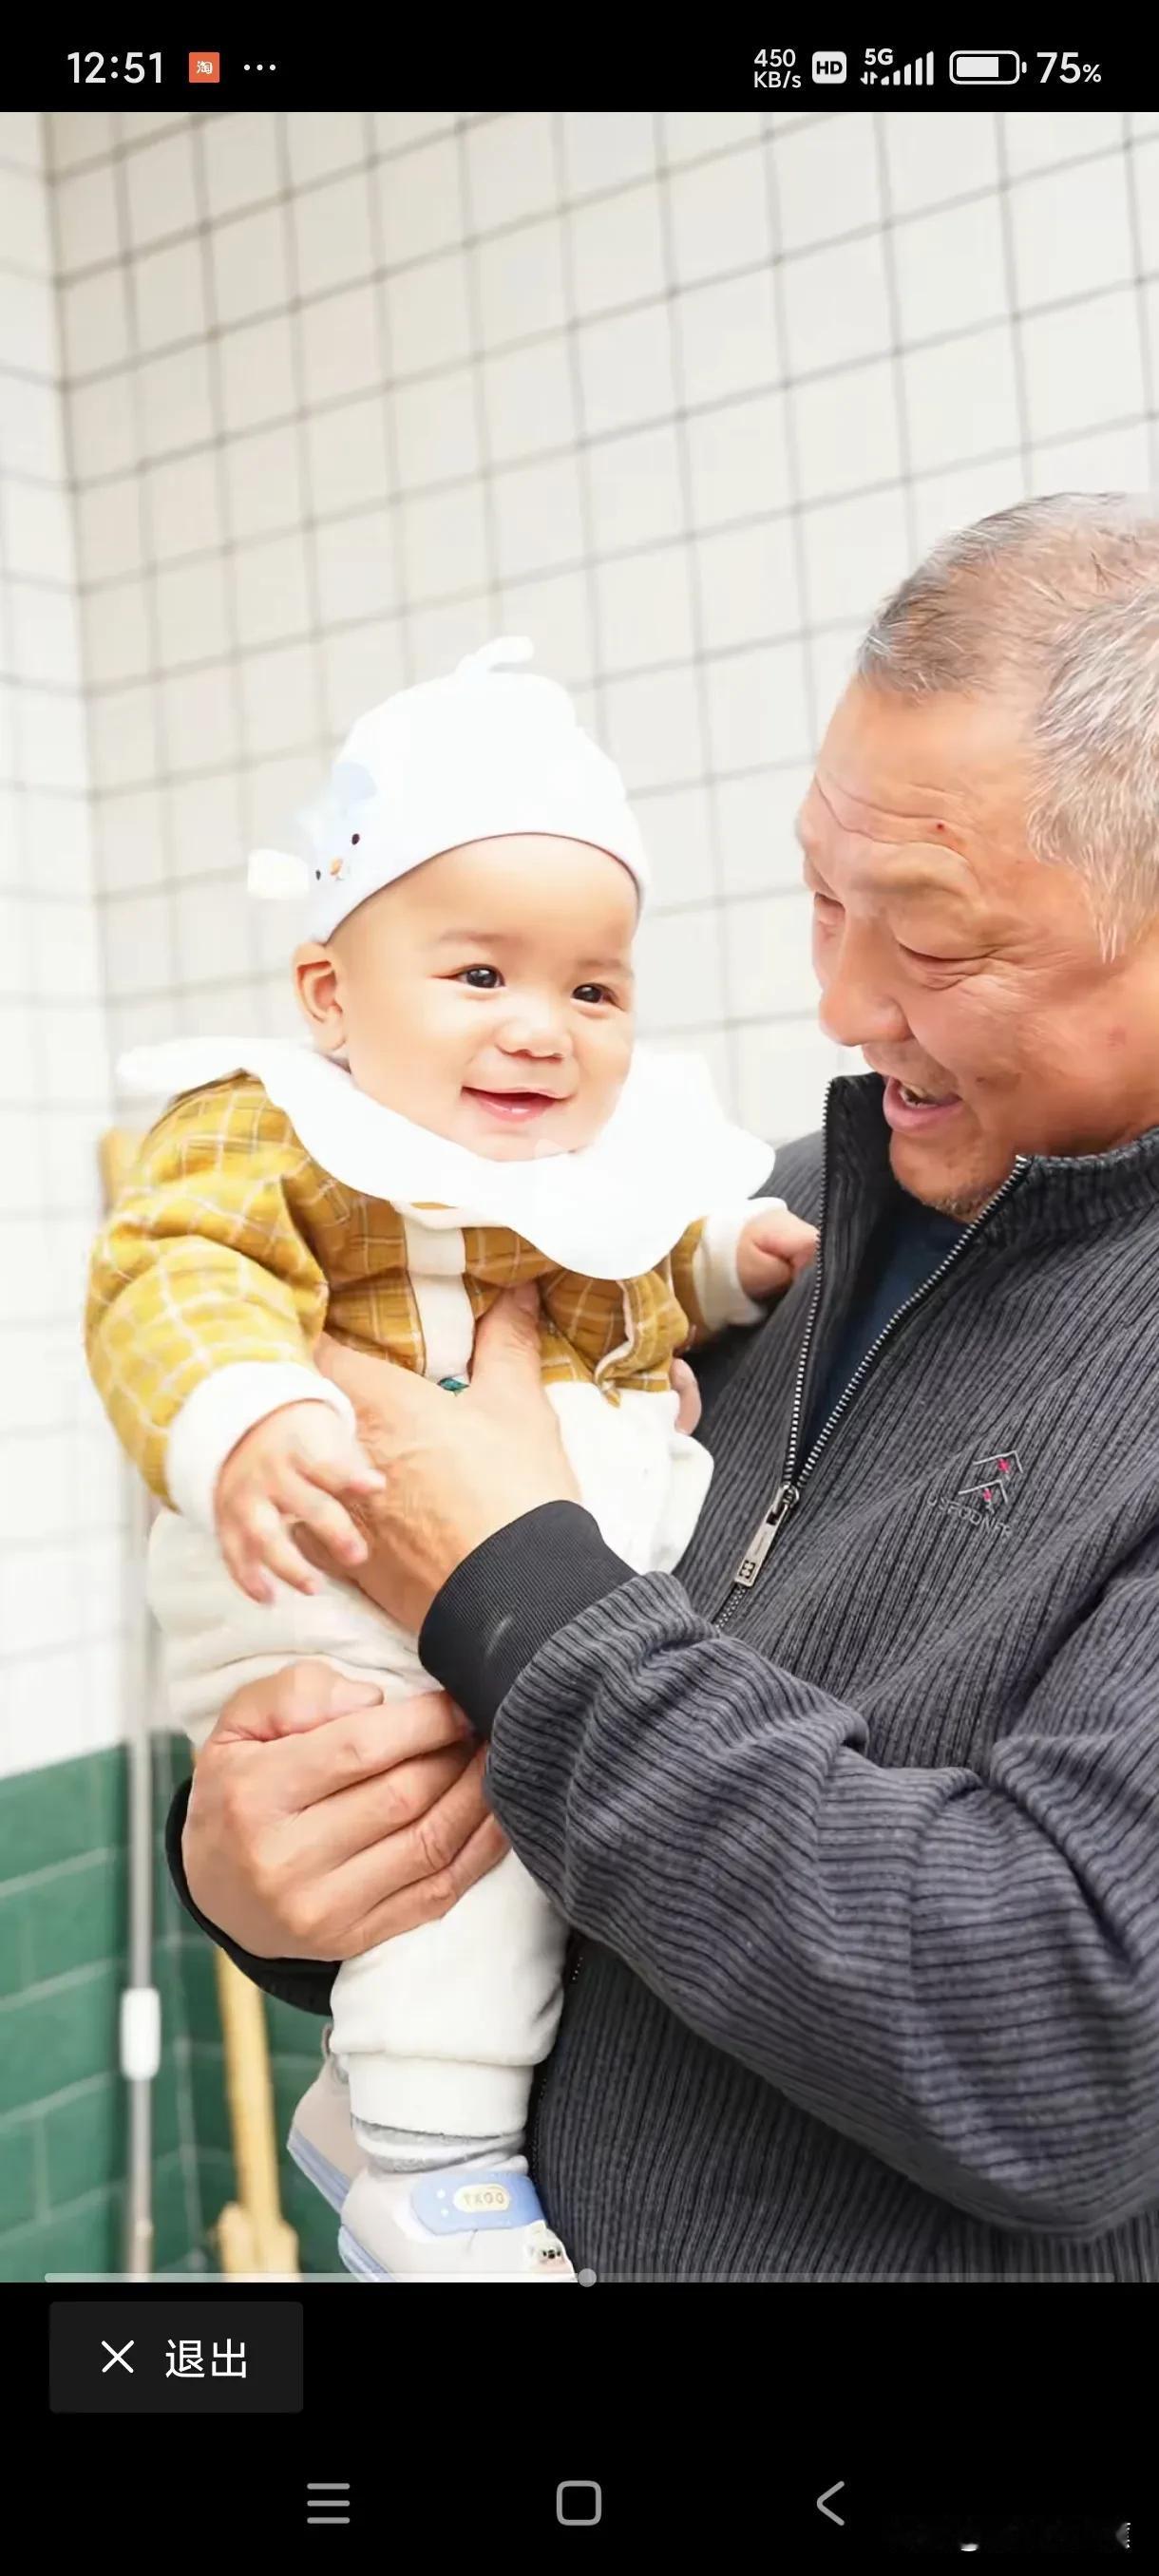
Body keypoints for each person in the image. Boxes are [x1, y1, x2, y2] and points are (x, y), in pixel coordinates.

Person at [169, 493, 1159, 2282]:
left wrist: (508, 1583)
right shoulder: (738, 1231)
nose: (844, 1002)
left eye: (933, 945)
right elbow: (531, 1792)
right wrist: (269, 1889)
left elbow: (1069, 2044)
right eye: (820, 897)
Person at [86, 636, 814, 2281]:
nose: (541, 1031)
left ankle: (383, 2116)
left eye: (593, 989)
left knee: (530, 1806)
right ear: (331, 994)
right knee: (475, 1833)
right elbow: (169, 1273)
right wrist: (249, 1414)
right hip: (309, 1555)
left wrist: (718, 1269)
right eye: (479, 977)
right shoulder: (272, 1126)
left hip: (470, 1570)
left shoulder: (564, 1167)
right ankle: (430, 2155)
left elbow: (621, 1273)